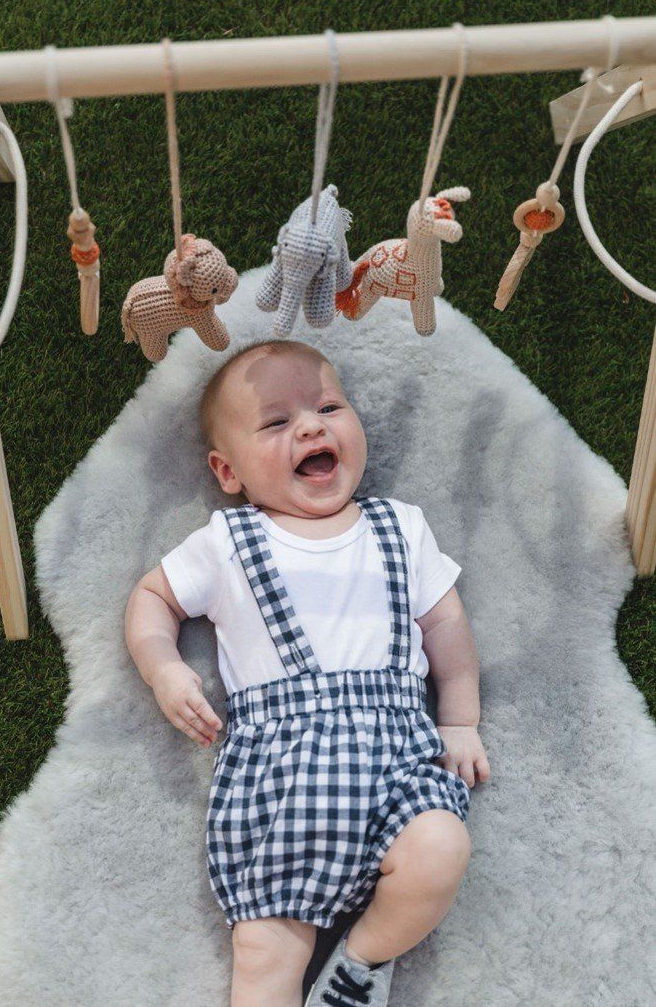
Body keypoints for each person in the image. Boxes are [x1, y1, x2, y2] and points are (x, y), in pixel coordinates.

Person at [125, 337, 490, 1007]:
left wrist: (460, 718)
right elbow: (152, 599)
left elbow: (446, 628)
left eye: (328, 406)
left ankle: (360, 961)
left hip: (397, 765)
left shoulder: (400, 528)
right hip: (283, 783)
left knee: (442, 848)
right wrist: (165, 670)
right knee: (263, 955)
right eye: (276, 422)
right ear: (227, 471)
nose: (313, 426)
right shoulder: (227, 542)